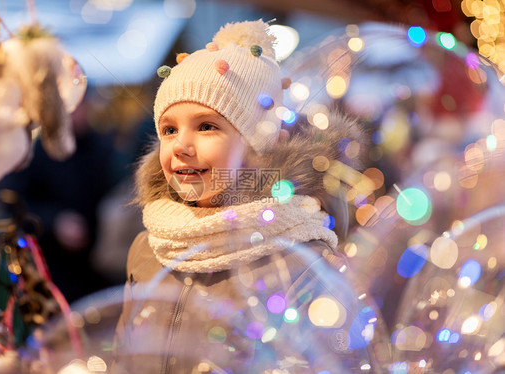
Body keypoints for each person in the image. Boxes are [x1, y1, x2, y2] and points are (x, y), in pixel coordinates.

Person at [112, 20, 383, 373]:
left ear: (262, 147)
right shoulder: (148, 248)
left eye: (207, 126)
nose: (180, 145)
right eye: (169, 129)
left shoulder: (302, 264)